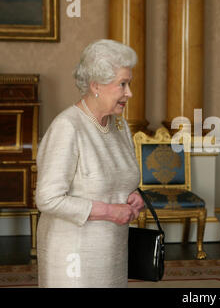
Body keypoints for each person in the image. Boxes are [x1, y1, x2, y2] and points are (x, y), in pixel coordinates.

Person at [36, 39, 145, 288]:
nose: (129, 93)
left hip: (112, 253)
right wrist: (109, 211)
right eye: (122, 84)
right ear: (96, 85)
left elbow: (117, 178)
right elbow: (48, 198)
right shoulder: (68, 127)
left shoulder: (119, 126)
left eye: (129, 84)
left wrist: (134, 195)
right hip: (72, 255)